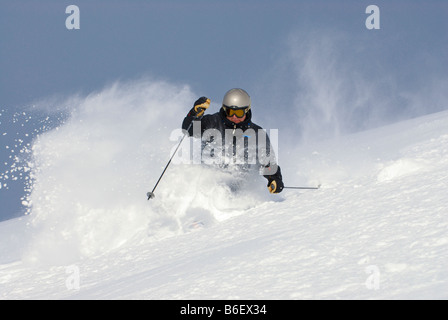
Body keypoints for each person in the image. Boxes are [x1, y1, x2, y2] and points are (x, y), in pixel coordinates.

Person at [182, 88, 284, 194]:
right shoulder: (213, 122)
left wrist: (274, 178)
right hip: (207, 186)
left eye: (239, 113)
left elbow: (268, 162)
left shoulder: (257, 133)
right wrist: (194, 113)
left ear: (246, 110)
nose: (234, 117)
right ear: (225, 109)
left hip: (239, 190)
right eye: (230, 112)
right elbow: (188, 130)